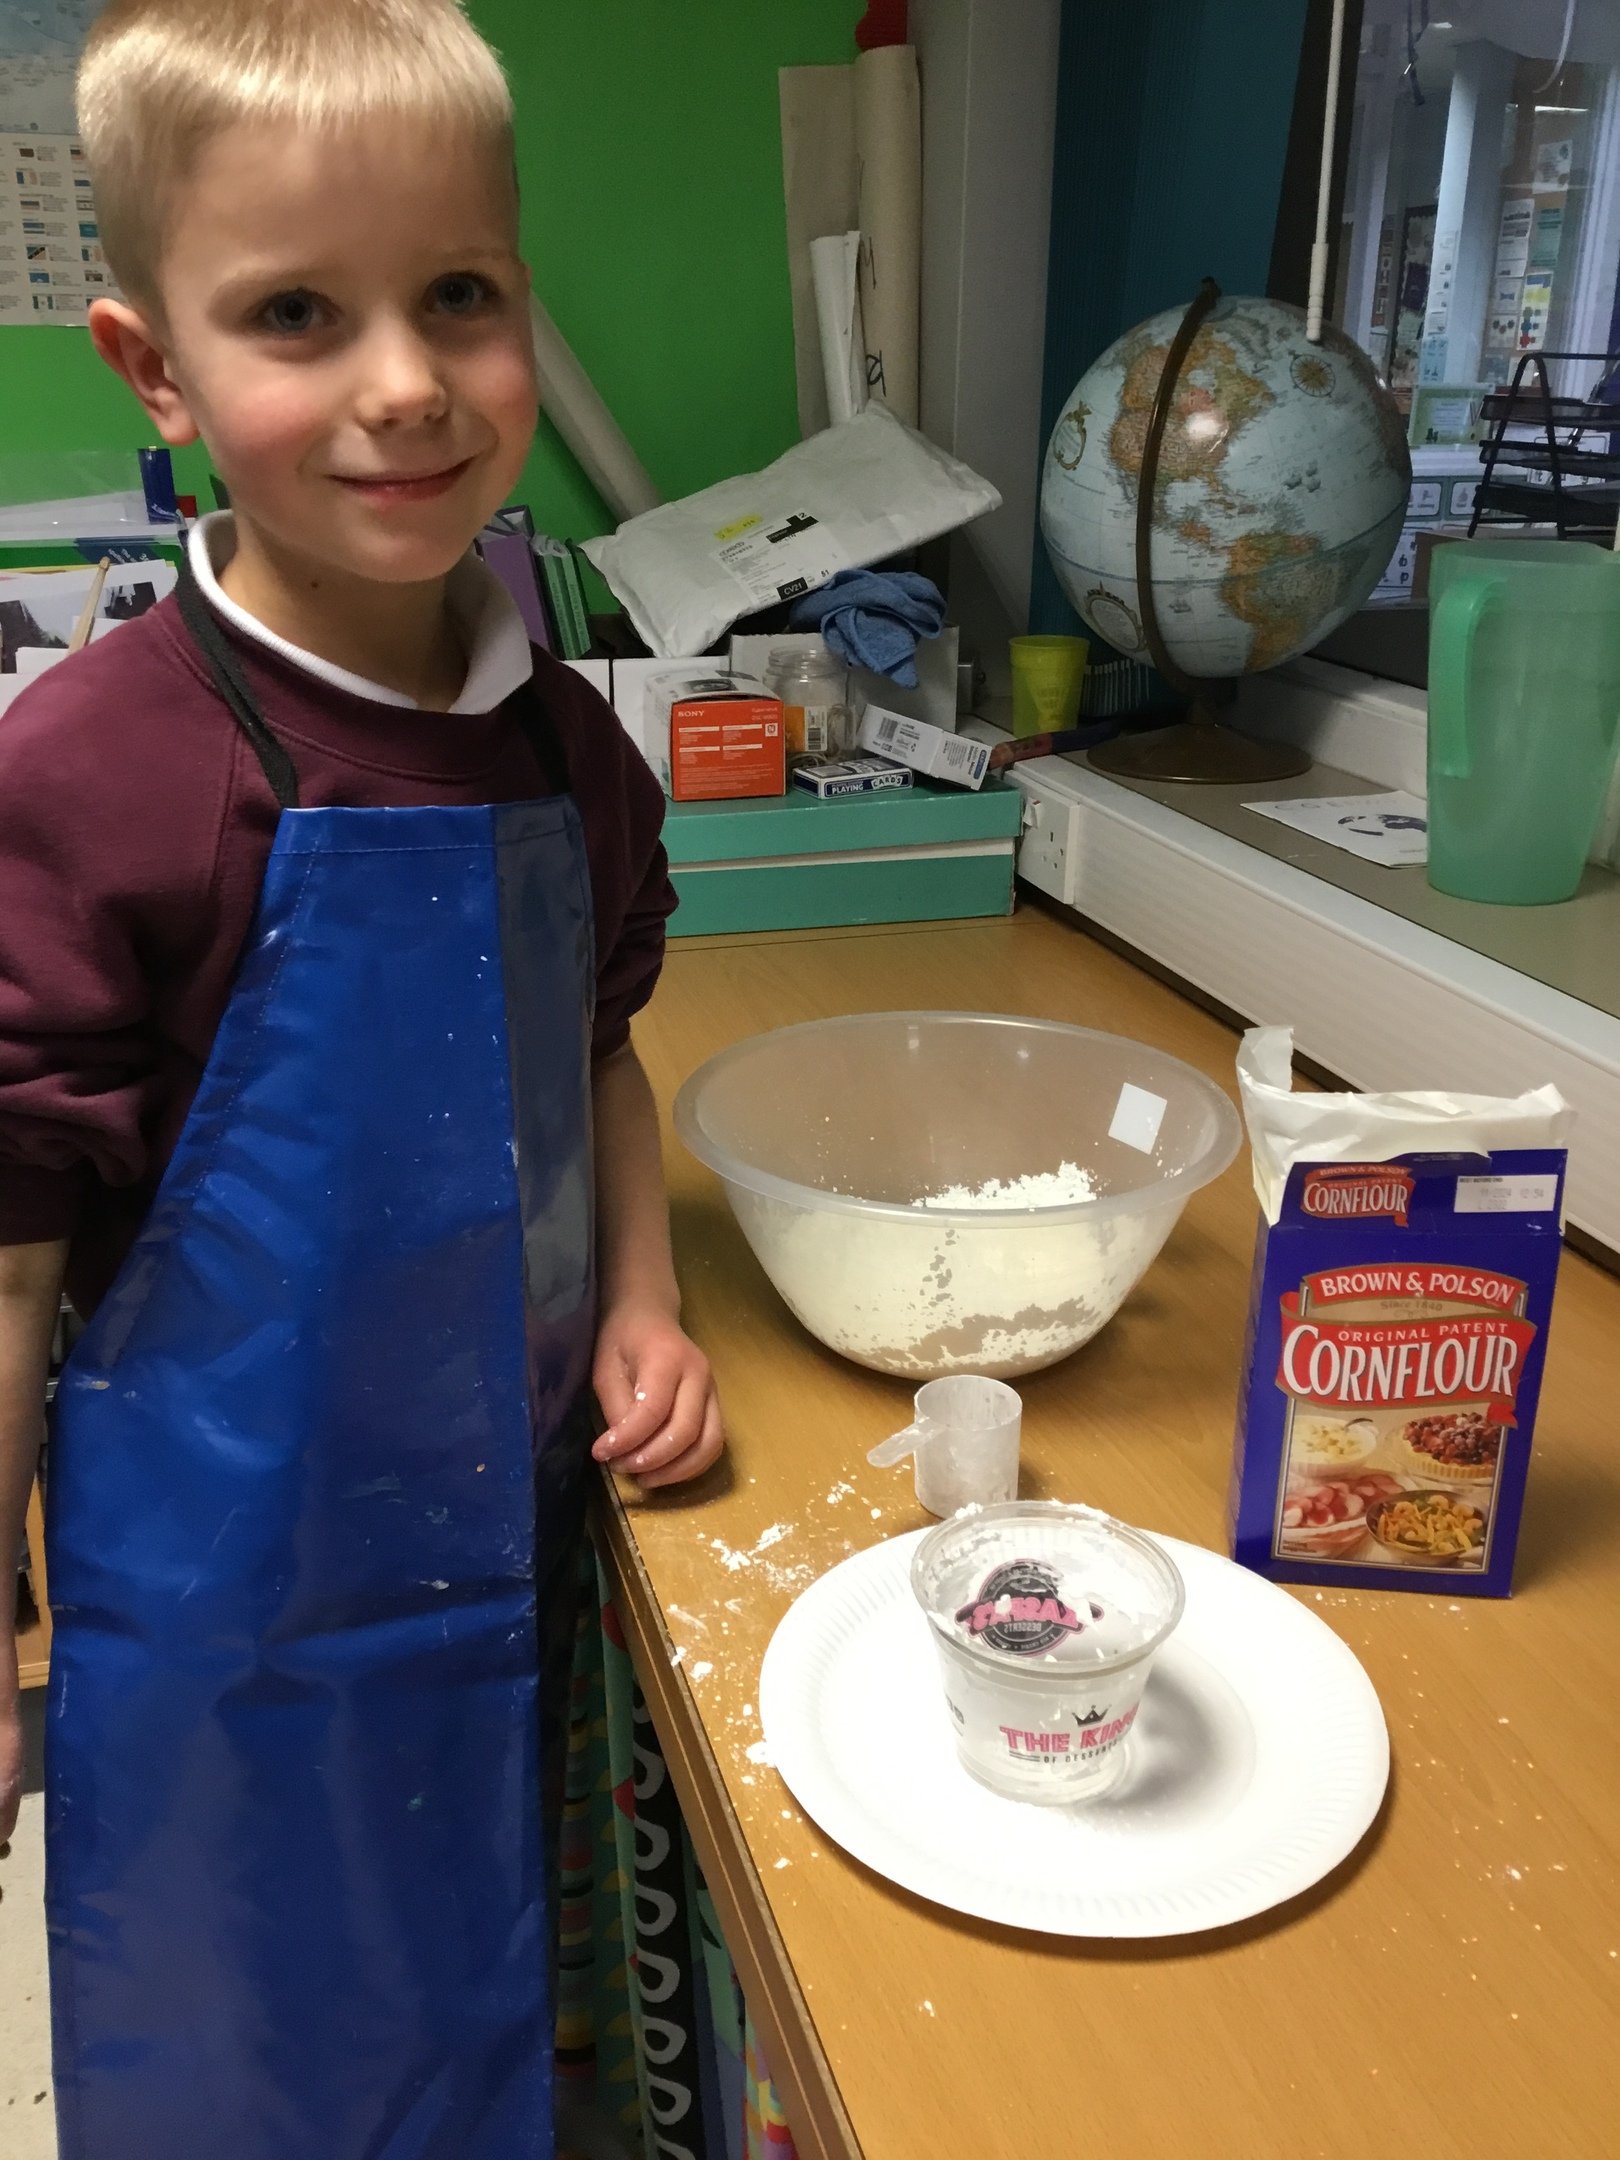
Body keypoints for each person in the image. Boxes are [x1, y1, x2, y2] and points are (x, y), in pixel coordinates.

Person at [0, 3, 723, 2154]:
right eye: (298, 314)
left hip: (514, 1526)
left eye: (463, 298)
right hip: (227, 1599)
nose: (404, 384)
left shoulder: (564, 742)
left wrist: (658, 1302)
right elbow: (13, 1254)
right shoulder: (95, 776)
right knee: (259, 2045)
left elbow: (600, 1050)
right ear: (157, 369)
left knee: (488, 1977)